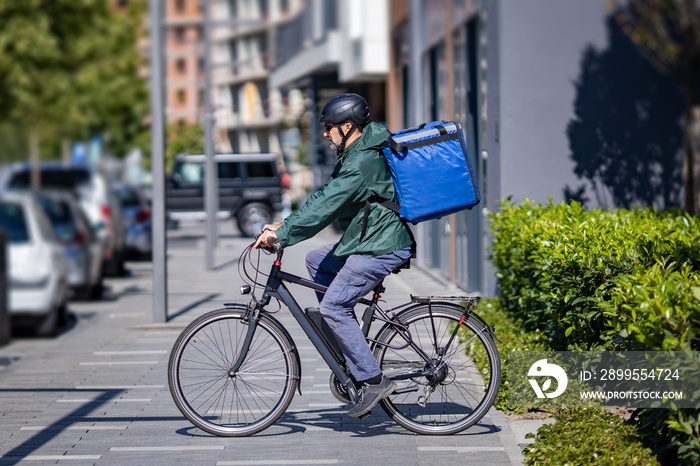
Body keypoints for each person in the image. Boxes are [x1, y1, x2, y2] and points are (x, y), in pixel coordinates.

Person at [254, 93, 414, 419]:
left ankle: (372, 379)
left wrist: (282, 237)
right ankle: (349, 341)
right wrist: (284, 225)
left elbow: (326, 208)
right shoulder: (356, 152)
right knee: (315, 260)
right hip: (368, 238)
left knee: (333, 306)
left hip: (381, 245)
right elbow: (323, 198)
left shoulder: (360, 163)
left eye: (329, 127)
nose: (325, 133)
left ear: (347, 126)